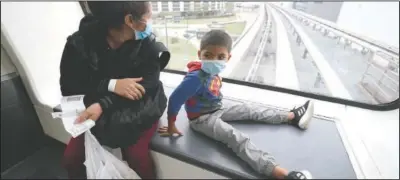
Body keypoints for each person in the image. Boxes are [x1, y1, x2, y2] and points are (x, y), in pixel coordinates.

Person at [158, 30, 314, 179]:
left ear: (228, 57)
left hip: (216, 108)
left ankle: (292, 117)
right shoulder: (195, 78)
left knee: (249, 109)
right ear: (200, 55)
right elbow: (175, 100)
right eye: (208, 55)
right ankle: (280, 173)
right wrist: (171, 124)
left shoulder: (211, 70)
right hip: (201, 119)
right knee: (236, 138)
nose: (214, 60)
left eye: (220, 57)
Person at [59, 1, 169, 179]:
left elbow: (147, 85)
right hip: (93, 104)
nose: (150, 22)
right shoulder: (78, 44)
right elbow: (69, 86)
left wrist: (103, 103)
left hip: (137, 105)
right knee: (71, 159)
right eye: (148, 16)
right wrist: (110, 85)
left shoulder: (147, 43)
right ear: (129, 20)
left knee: (136, 156)